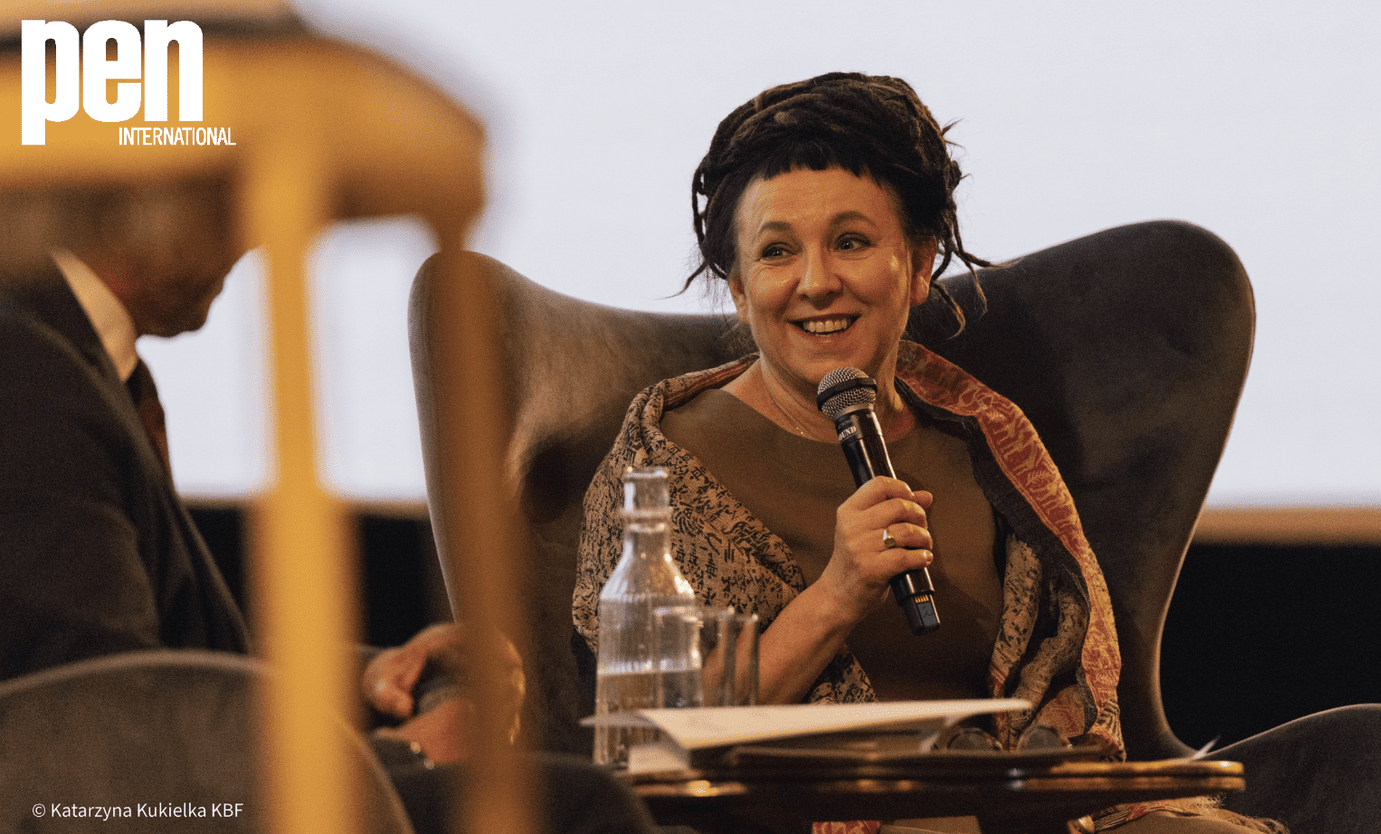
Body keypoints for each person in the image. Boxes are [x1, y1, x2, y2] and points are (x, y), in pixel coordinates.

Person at [573, 72, 1285, 834]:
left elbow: (1062, 696)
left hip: (1011, 815)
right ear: (741, 291)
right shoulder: (664, 463)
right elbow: (651, 740)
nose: (817, 282)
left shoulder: (986, 438)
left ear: (918, 266)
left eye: (851, 242)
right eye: (777, 252)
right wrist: (837, 595)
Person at [0, 179, 656, 834]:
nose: (251, 240)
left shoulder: (70, 361)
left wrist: (371, 677)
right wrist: (401, 756)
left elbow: (173, 663)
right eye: (224, 200)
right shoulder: (28, 371)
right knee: (579, 806)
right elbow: (97, 746)